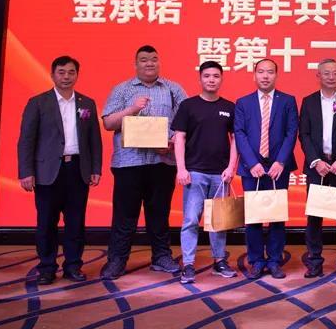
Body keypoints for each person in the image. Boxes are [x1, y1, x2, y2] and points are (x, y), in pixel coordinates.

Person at [99, 45, 187, 280]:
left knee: (159, 213)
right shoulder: (122, 89)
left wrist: (171, 142)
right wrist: (132, 108)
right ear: (136, 64)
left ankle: (161, 257)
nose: (149, 63)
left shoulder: (173, 89)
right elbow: (108, 123)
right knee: (124, 215)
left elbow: (186, 122)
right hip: (129, 163)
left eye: (154, 59)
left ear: (159, 62)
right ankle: (117, 260)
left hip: (162, 161)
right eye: (144, 60)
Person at [17, 55, 102, 285]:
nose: (66, 77)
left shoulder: (87, 103)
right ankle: (47, 268)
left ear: (77, 75)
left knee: (76, 222)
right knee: (46, 223)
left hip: (78, 169)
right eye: (61, 72)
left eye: (71, 72)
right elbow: (26, 140)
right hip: (47, 172)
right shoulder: (38, 102)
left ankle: (73, 266)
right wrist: (26, 171)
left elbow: (94, 139)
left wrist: (96, 167)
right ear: (52, 75)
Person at [172, 61, 238, 284]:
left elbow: (235, 139)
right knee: (191, 220)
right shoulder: (188, 106)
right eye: (207, 76)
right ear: (200, 79)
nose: (211, 80)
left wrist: (231, 167)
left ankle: (219, 261)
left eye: (216, 76)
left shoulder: (229, 107)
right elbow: (179, 137)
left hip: (221, 175)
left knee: (218, 221)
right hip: (194, 173)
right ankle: (188, 264)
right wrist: (181, 168)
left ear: (221, 79)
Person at [235, 58, 299, 279]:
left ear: (276, 75)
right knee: (253, 217)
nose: (265, 76)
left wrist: (280, 162)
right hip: (251, 168)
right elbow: (239, 133)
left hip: (278, 168)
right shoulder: (243, 102)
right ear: (254, 75)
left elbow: (291, 132)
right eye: (261, 72)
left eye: (270, 72)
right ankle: (255, 260)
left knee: (276, 216)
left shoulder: (288, 101)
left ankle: (274, 260)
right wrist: (252, 163)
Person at [299, 59, 336, 279]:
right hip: (318, 167)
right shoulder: (308, 102)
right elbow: (304, 134)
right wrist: (316, 161)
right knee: (315, 218)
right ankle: (314, 262)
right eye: (326, 73)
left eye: (335, 73)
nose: (331, 77)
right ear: (318, 76)